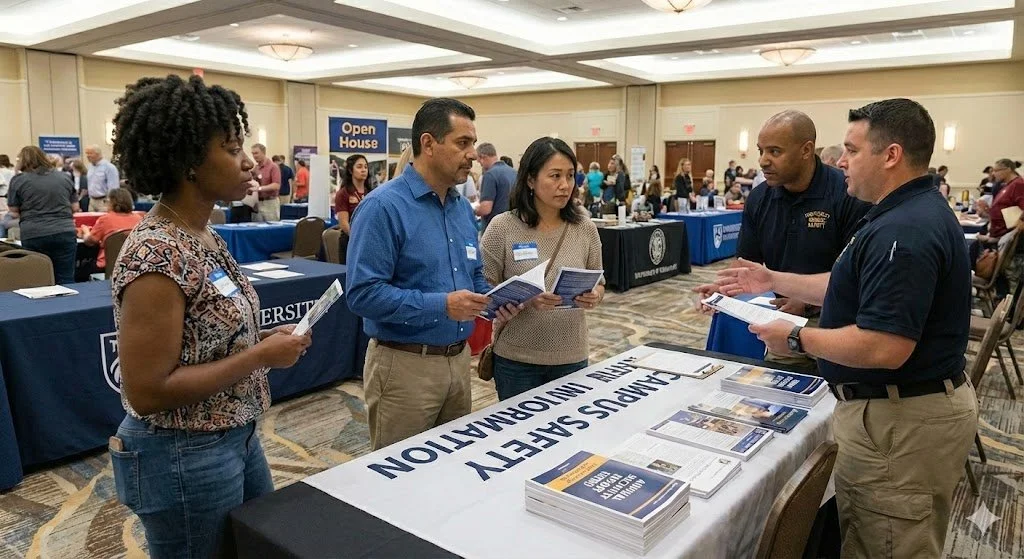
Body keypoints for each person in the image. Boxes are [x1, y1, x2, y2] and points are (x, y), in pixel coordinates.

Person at [712, 98, 976, 559]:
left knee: (886, 546)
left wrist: (795, 336)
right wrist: (772, 279)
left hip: (903, 422)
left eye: (852, 150)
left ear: (890, 155)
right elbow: (845, 284)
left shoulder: (906, 231)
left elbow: (883, 347)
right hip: (899, 415)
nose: (840, 160)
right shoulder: (899, 213)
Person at [106, 74, 312, 559]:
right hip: (182, 452)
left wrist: (261, 338)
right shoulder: (156, 253)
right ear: (189, 163)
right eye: (230, 147)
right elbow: (148, 390)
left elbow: (206, 337)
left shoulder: (206, 236)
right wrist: (260, 355)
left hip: (235, 435)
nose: (248, 162)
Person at [346, 97, 521, 450]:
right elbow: (362, 294)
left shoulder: (459, 209)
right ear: (428, 144)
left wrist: (498, 300)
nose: (472, 154)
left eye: (473, 143)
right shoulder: (383, 207)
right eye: (462, 143)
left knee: (450, 474)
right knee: (398, 482)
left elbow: (472, 278)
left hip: (458, 364)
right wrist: (441, 305)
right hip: (404, 367)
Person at [696, 110, 870, 366]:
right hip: (784, 323)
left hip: (842, 323)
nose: (764, 161)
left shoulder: (847, 194)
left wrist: (807, 301)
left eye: (775, 152)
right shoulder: (759, 198)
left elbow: (857, 275)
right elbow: (745, 262)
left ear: (806, 150)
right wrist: (723, 290)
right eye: (761, 151)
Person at [481, 137, 604, 400]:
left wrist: (595, 295)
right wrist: (524, 298)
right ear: (530, 180)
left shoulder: (585, 228)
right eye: (555, 176)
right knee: (516, 436)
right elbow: (483, 288)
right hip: (517, 359)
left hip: (571, 356)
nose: (565, 185)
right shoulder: (502, 227)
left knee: (571, 435)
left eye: (570, 176)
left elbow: (599, 281)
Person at [5, 145, 78, 284]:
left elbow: (13, 212)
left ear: (22, 160)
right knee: (66, 278)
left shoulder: (19, 180)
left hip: (34, 233)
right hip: (64, 231)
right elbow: (75, 207)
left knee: (38, 279)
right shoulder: (64, 177)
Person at [79, 188, 143, 272]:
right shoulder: (140, 219)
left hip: (106, 266)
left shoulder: (105, 219)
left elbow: (90, 241)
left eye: (106, 201)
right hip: (132, 266)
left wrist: (86, 231)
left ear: (112, 203)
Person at [979, 159, 1024, 239]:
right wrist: (988, 210)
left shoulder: (1018, 184)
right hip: (997, 234)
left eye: (996, 170)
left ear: (1008, 169)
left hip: (1007, 236)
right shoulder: (1006, 186)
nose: (993, 174)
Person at [476, 142, 516, 230]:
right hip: (513, 227)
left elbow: (486, 209)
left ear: (483, 157)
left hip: (494, 230)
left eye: (480, 163)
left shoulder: (490, 175)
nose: (481, 165)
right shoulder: (514, 173)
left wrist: (472, 210)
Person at [334, 153, 370, 235]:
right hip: (351, 239)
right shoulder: (343, 193)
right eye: (359, 167)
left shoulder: (371, 192)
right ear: (350, 170)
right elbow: (344, 225)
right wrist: (359, 239)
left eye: (365, 167)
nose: (363, 170)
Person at [250, 143, 281, 221]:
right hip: (257, 203)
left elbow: (276, 185)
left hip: (270, 203)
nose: (254, 156)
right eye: (253, 154)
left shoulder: (273, 167)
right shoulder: (255, 168)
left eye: (256, 153)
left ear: (263, 152)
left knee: (272, 228)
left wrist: (259, 189)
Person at [85, 146, 120, 213]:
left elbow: (114, 187)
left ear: (98, 154)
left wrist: (110, 203)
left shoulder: (109, 168)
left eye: (90, 153)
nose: (88, 156)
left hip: (104, 201)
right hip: (92, 201)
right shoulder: (90, 167)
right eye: (87, 154)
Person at [0, 154, 16, 237]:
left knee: (1, 222)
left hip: (1, 198)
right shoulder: (13, 172)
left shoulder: (1, 172)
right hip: (11, 198)